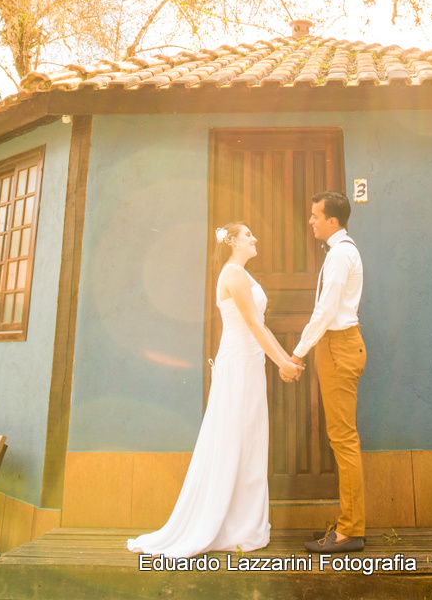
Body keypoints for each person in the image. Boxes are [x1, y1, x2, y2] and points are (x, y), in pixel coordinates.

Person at [127, 222, 303, 558]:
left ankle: (242, 524)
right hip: (238, 363)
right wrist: (282, 363)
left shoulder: (239, 273)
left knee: (249, 439)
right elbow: (252, 324)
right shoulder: (234, 274)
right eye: (249, 235)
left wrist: (284, 359)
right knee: (236, 438)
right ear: (235, 241)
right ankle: (232, 525)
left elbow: (259, 325)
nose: (255, 238)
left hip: (250, 362)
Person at [286, 191, 366, 553]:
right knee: (342, 438)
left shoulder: (340, 255)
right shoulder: (341, 252)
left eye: (316, 216)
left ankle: (350, 530)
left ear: (333, 221)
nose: (311, 221)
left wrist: (298, 353)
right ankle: (350, 523)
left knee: (343, 440)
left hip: (338, 346)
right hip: (337, 346)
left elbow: (325, 311)